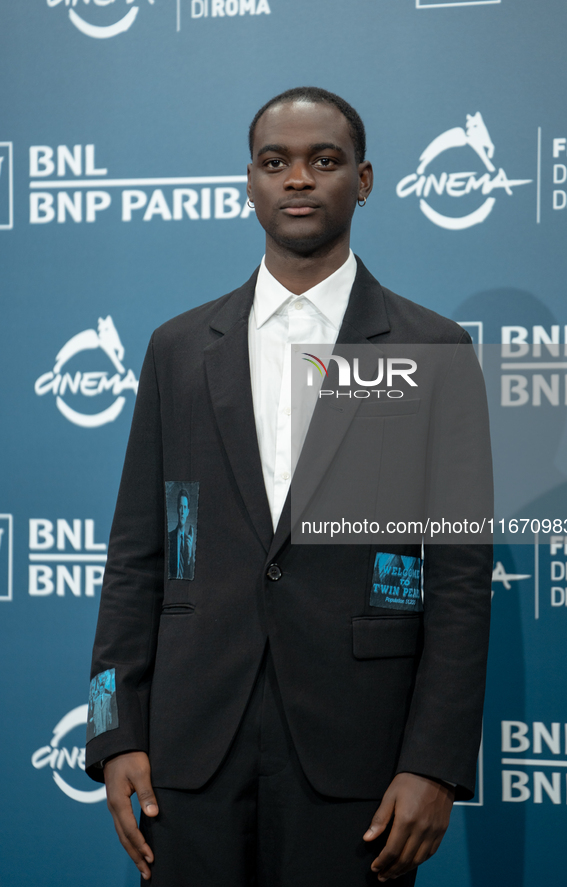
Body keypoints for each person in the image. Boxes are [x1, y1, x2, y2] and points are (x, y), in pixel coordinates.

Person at [86, 87, 492, 886]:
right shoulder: (176, 348)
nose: (298, 179)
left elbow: (458, 578)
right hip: (188, 754)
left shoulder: (432, 347)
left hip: (360, 760)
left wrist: (436, 764)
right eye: (276, 163)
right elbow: (135, 554)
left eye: (323, 160)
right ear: (249, 182)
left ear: (365, 180)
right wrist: (111, 731)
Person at [167, 488, 194, 580]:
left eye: (185, 507)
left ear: (187, 512)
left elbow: (191, 577)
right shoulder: (169, 538)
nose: (182, 511)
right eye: (180, 506)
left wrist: (189, 555)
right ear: (177, 509)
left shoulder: (189, 544)